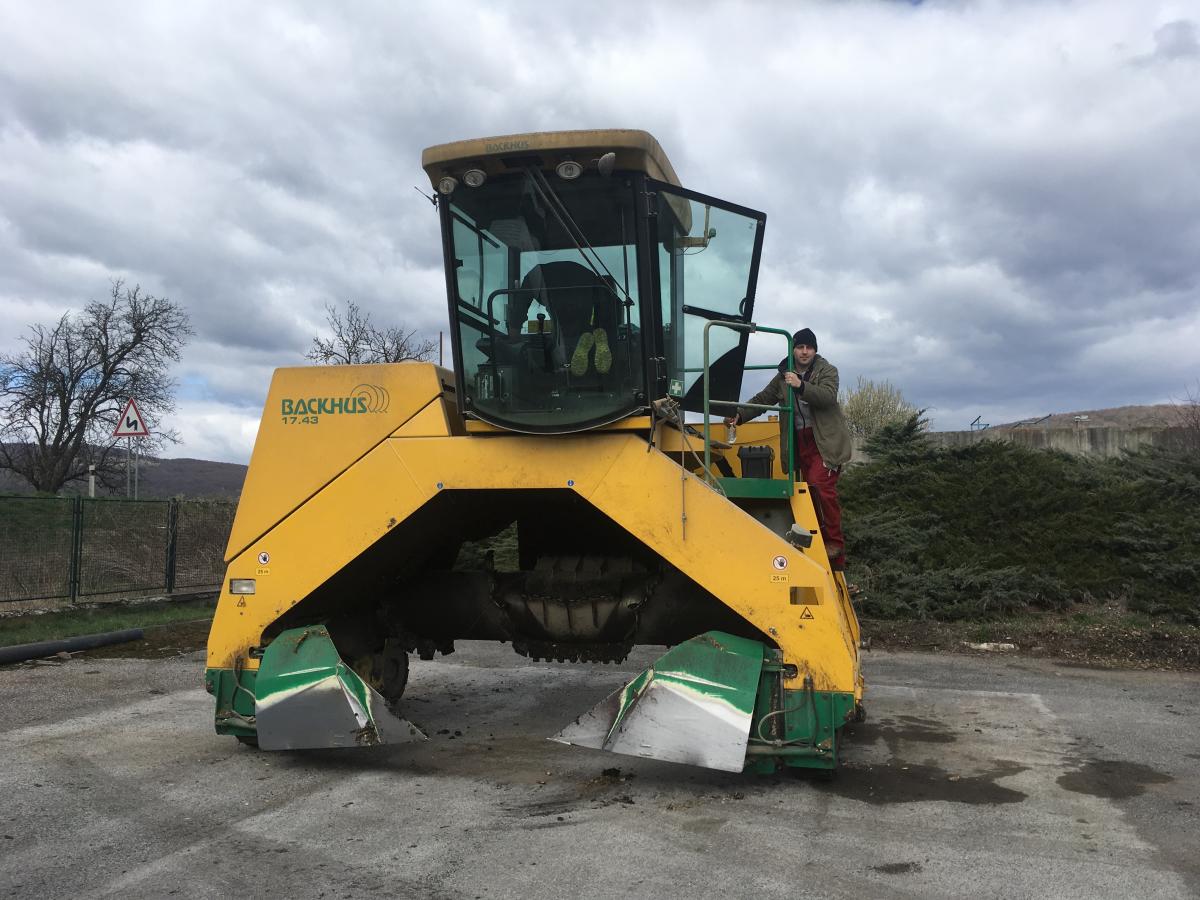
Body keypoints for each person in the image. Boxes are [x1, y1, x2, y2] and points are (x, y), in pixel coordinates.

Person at [724, 328, 852, 568]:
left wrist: (801, 385)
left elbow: (827, 396)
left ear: (815, 350)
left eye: (809, 348)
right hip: (798, 441)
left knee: (820, 486)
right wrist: (739, 416)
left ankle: (834, 543)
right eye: (800, 347)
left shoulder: (827, 370)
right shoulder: (783, 376)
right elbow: (763, 399)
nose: (804, 352)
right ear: (793, 350)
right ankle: (823, 552)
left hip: (824, 441)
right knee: (806, 493)